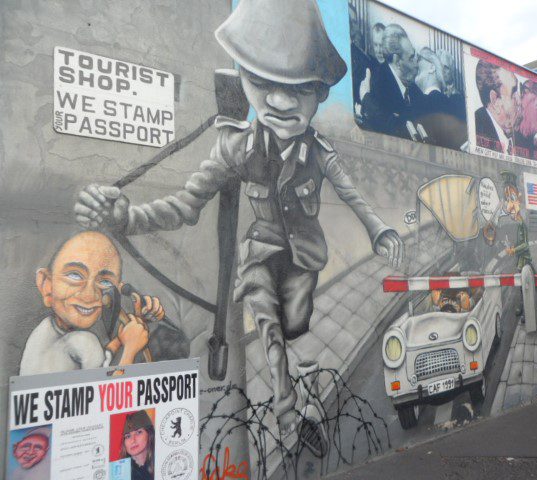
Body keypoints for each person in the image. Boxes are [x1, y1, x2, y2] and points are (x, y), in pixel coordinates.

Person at [74, 0, 404, 441]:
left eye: (300, 88)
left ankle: (300, 388)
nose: (281, 101)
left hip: (305, 263)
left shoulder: (320, 153)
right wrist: (127, 218)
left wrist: (379, 229)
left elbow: (352, 195)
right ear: (243, 79)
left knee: (293, 329)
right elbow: (185, 205)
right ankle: (289, 413)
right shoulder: (235, 147)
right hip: (260, 254)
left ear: (320, 92)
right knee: (269, 332)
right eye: (264, 82)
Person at [19, 231, 165, 375]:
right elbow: (106, 395)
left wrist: (124, 338)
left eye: (105, 282)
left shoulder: (47, 329)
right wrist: (130, 349)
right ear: (46, 285)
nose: (89, 295)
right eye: (75, 275)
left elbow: (100, 365)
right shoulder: (84, 342)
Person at [360, 23, 421, 138]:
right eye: (411, 58)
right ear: (397, 61)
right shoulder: (377, 85)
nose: (417, 64)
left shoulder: (413, 88)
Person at [411, 47, 466, 149]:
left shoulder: (455, 101)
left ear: (432, 67)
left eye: (419, 58)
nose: (415, 63)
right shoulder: (416, 98)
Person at [474, 60, 522, 154]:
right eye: (513, 92)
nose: (519, 101)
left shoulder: (517, 137)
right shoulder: (476, 134)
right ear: (495, 100)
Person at [120, 410, 154, 480]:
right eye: (128, 436)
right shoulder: (121, 473)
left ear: (149, 434)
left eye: (138, 432)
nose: (133, 440)